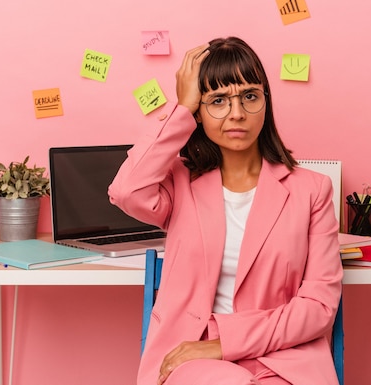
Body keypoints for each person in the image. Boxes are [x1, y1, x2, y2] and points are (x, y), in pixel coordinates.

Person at [108, 37, 343, 385]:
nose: (237, 113)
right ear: (199, 114)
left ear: (266, 101)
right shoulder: (179, 183)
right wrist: (181, 109)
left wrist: (224, 344)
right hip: (190, 355)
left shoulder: (312, 190)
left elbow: (318, 307)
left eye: (249, 96)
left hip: (282, 360)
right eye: (217, 100)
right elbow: (126, 191)